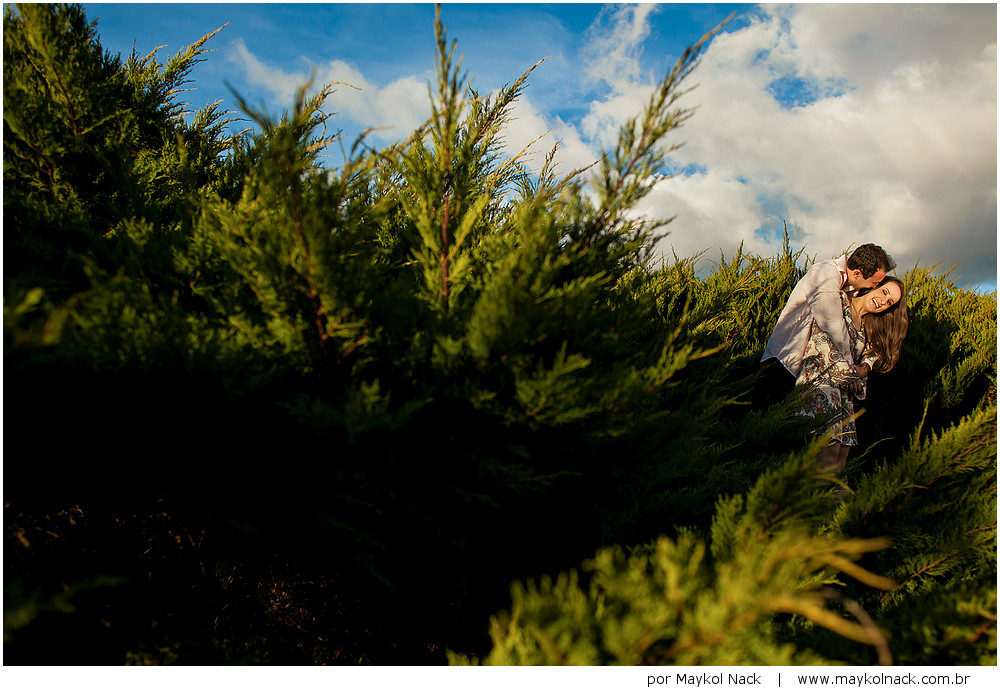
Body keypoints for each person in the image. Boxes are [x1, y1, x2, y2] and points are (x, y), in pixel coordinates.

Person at [794, 276, 909, 475]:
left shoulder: (867, 326)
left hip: (844, 399)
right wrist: (851, 375)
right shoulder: (838, 301)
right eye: (884, 292)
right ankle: (813, 505)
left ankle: (836, 506)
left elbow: (869, 359)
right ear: (874, 286)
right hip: (821, 388)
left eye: (890, 302)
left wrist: (863, 369)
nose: (884, 301)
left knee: (840, 461)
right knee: (825, 461)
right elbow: (820, 339)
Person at [760, 244, 896, 399]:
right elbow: (832, 323)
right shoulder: (825, 274)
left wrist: (866, 364)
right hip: (785, 360)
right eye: (875, 282)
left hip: (807, 372)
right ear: (857, 273)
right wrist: (850, 368)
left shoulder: (851, 288)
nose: (875, 286)